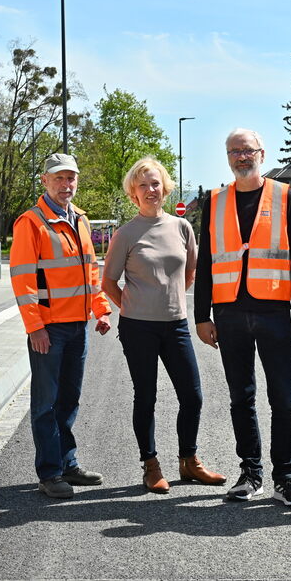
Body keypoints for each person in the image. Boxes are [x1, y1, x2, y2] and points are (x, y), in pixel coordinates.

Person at [194, 128, 291, 507]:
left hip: (274, 312)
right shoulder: (214, 201)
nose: (241, 157)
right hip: (228, 313)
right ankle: (251, 473)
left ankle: (285, 477)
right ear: (227, 157)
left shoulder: (283, 196)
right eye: (234, 151)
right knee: (240, 397)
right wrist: (201, 315)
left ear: (262, 153)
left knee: (283, 397)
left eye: (247, 150)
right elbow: (206, 263)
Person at [101, 157, 226, 494]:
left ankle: (189, 461)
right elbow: (109, 282)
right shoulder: (126, 234)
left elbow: (191, 272)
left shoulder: (182, 227)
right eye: (143, 185)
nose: (151, 190)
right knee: (146, 396)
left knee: (193, 396)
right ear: (134, 193)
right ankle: (151, 464)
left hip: (176, 325)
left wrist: (172, 299)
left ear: (165, 188)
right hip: (138, 327)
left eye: (155, 183)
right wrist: (131, 305)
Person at [10, 153, 112, 499]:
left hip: (78, 326)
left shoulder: (80, 219)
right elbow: (23, 280)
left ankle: (68, 463)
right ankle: (50, 472)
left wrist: (100, 309)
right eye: (59, 178)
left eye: (71, 178)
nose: (66, 185)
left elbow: (90, 271)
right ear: (45, 181)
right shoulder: (31, 222)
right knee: (46, 402)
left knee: (69, 399)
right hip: (49, 329)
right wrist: (34, 326)